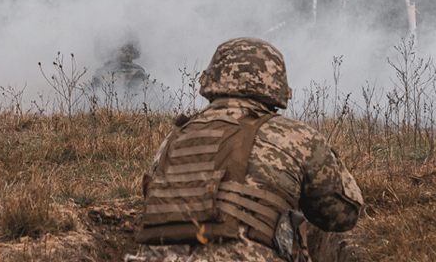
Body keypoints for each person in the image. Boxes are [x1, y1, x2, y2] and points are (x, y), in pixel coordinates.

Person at [129, 37, 363, 262]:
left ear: (213, 79)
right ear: (275, 84)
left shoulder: (174, 137)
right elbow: (342, 214)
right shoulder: (296, 136)